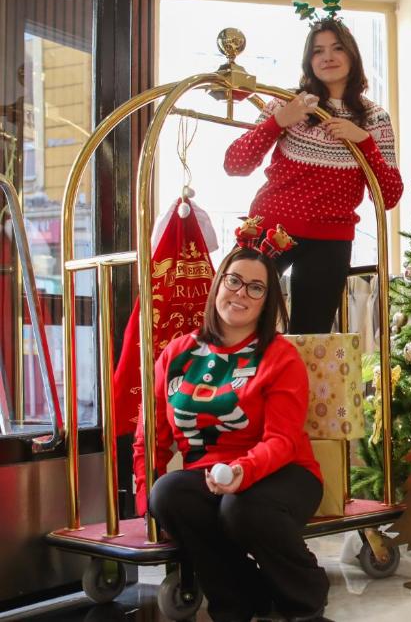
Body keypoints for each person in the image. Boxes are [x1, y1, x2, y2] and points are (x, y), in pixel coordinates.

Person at [133, 225, 329, 622]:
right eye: (234, 280)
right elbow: (148, 438)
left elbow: (283, 441)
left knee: (240, 509)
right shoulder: (177, 352)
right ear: (217, 284)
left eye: (255, 288)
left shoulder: (280, 357)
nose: (241, 293)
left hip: (284, 472)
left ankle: (305, 595)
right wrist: (144, 500)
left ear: (266, 300)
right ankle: (239, 599)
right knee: (168, 492)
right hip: (210, 475)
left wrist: (243, 470)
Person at [224, 6, 403, 334]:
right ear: (308, 61)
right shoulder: (286, 103)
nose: (328, 57)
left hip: (330, 239)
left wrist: (363, 142)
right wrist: (279, 121)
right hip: (270, 228)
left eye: (337, 48)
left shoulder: (375, 119)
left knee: (311, 338)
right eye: (318, 50)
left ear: (352, 56)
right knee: (237, 321)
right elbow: (235, 164)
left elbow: (390, 195)